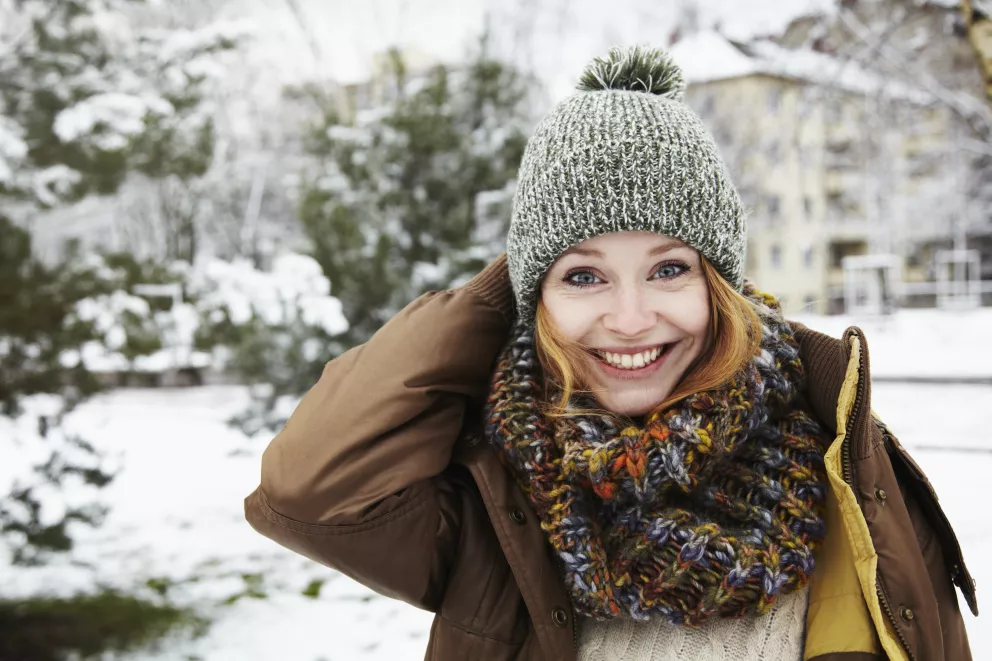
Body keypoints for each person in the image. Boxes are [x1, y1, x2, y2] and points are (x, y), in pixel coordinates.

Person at [244, 46, 977, 661]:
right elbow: (312, 489)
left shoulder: (853, 481)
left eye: (668, 269)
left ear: (720, 286)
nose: (629, 319)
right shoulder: (497, 494)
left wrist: (561, 262)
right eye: (583, 276)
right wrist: (504, 290)